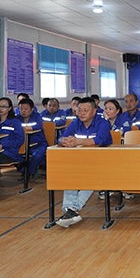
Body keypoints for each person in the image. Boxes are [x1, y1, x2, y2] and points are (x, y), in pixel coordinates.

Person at [55, 97, 113, 228]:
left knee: (91, 176)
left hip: (102, 161)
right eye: (79, 110)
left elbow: (99, 140)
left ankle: (72, 209)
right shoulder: (75, 123)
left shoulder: (102, 122)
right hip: (81, 160)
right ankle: (71, 210)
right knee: (69, 173)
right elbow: (62, 137)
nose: (81, 113)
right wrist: (64, 141)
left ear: (94, 111)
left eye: (85, 110)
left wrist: (77, 141)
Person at [18, 98, 47, 176]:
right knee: (13, 154)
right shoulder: (17, 118)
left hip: (38, 143)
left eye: (26, 109)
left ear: (32, 109)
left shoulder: (37, 116)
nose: (23, 111)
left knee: (37, 155)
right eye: (21, 109)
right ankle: (24, 169)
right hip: (23, 144)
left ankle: (29, 172)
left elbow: (38, 126)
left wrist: (24, 128)